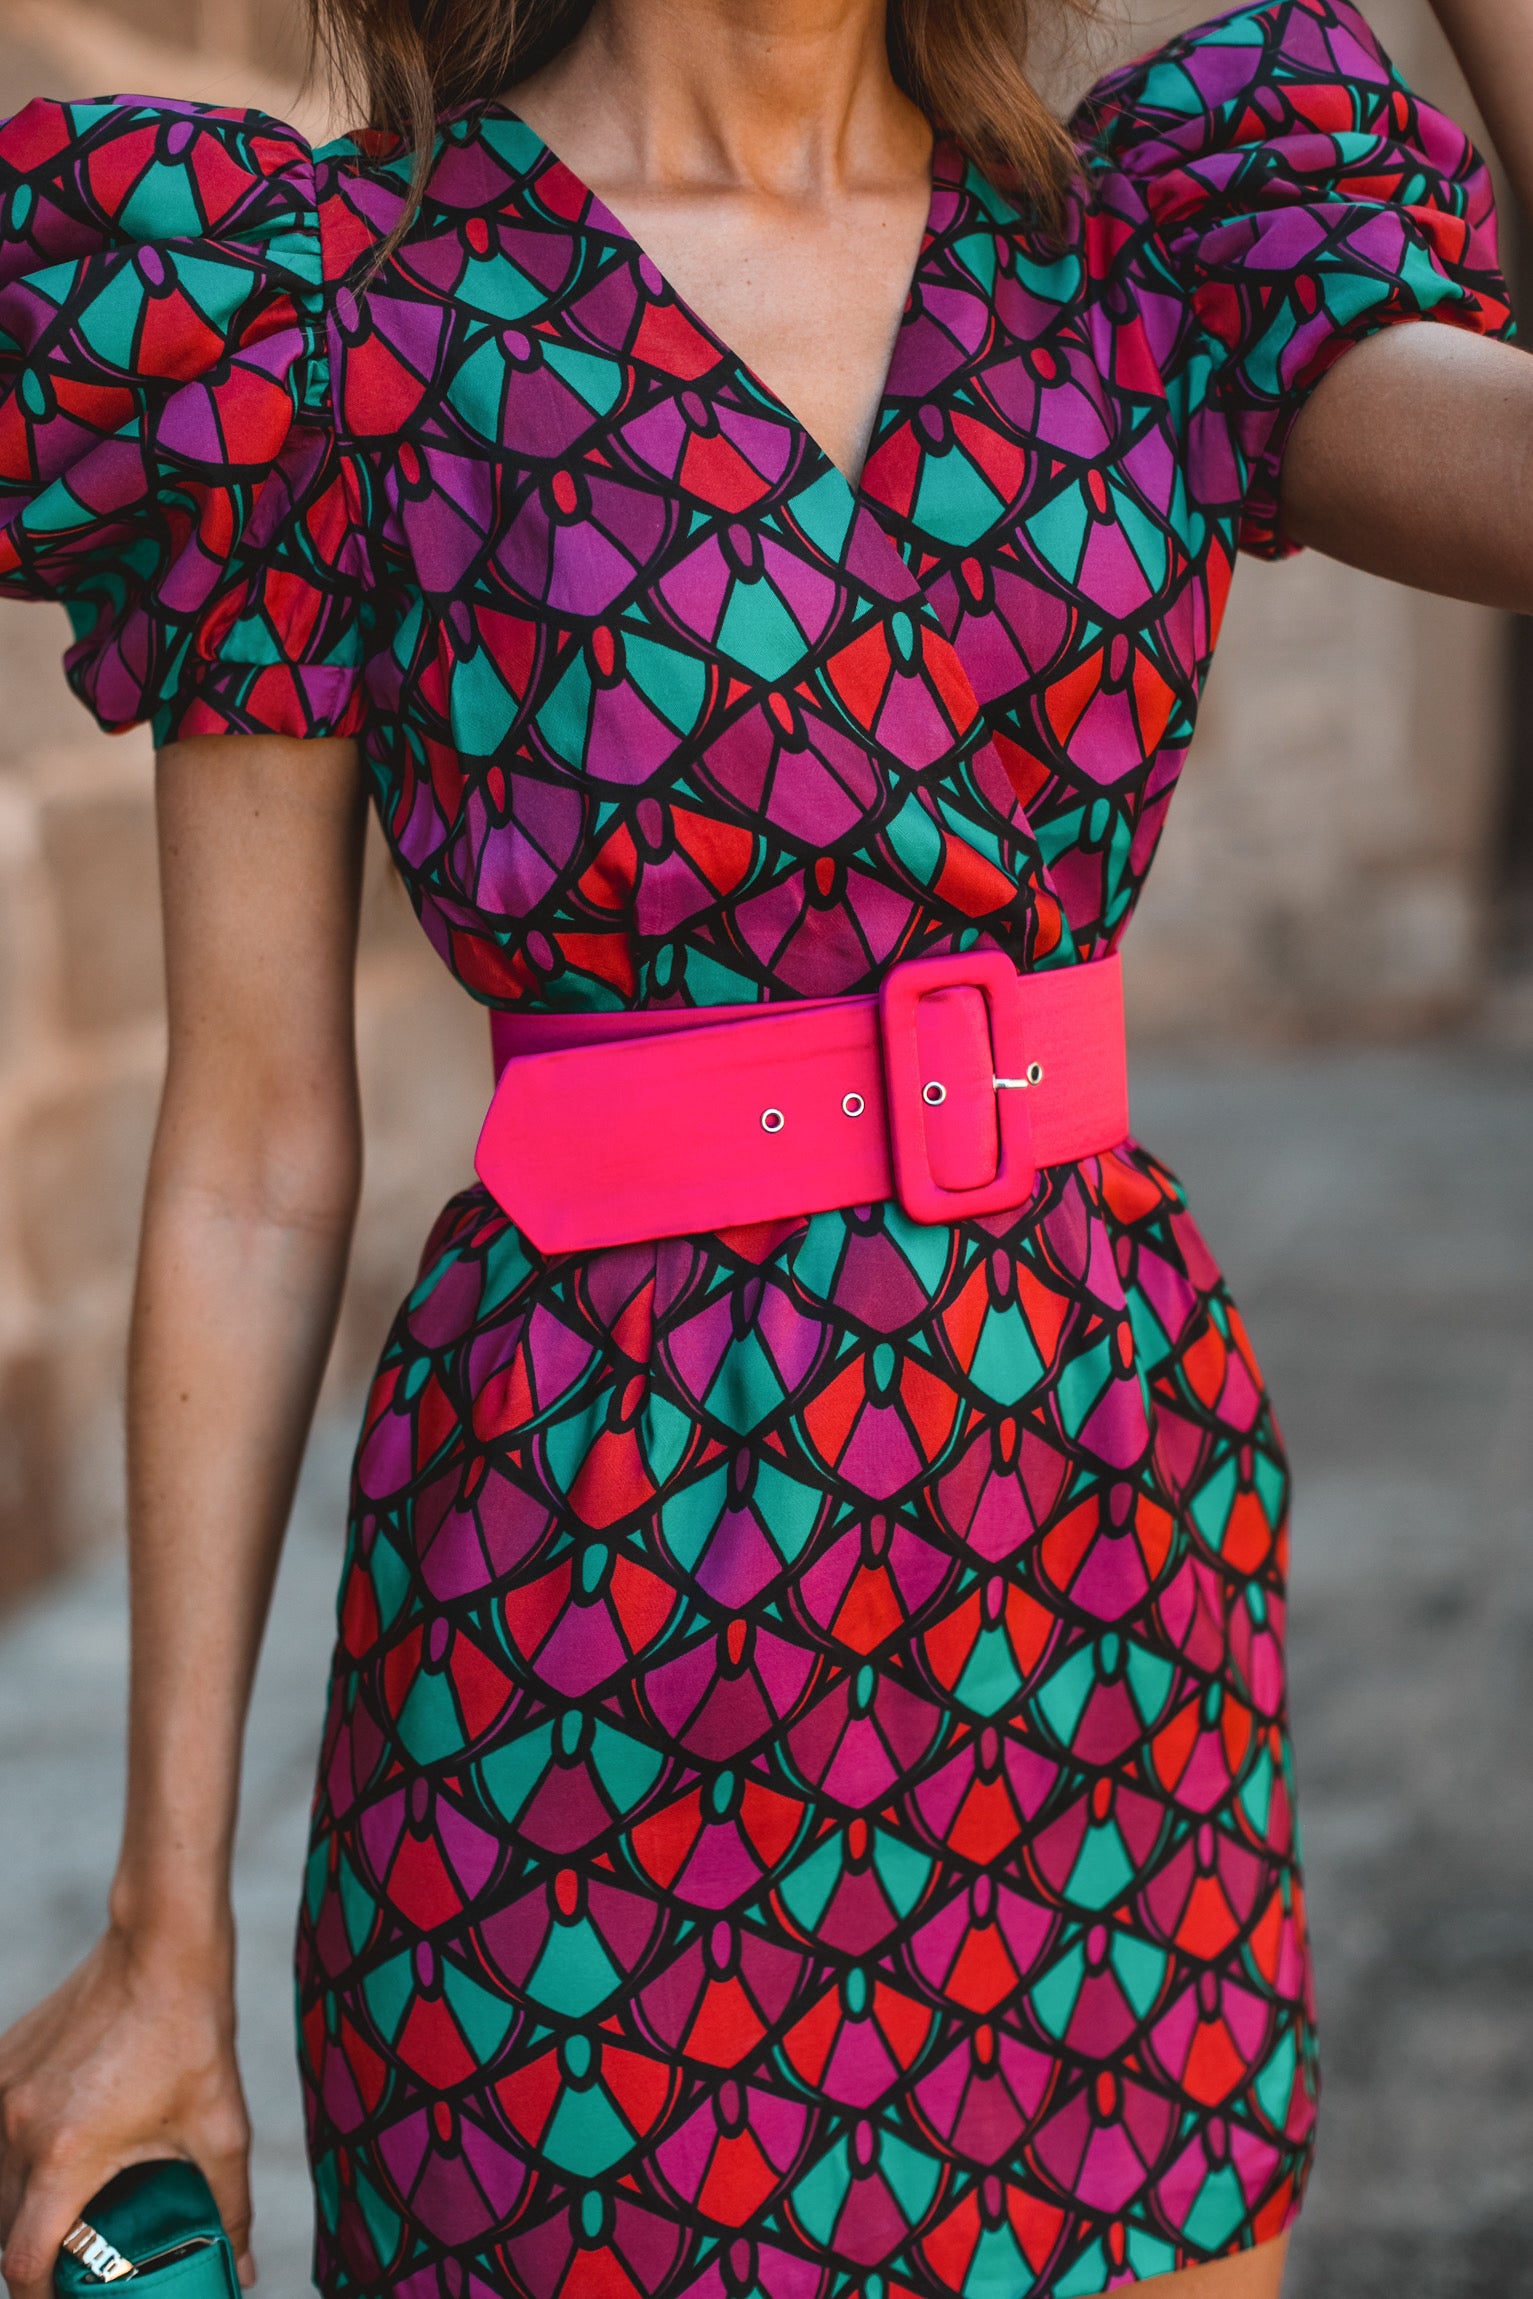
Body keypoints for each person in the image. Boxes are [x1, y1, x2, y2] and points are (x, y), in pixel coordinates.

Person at [0, 0, 1529, 2292]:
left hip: (1092, 1611)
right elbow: (249, 1150)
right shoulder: (326, 319)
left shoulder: (1152, 254)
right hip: (581, 1666)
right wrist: (161, 1930)